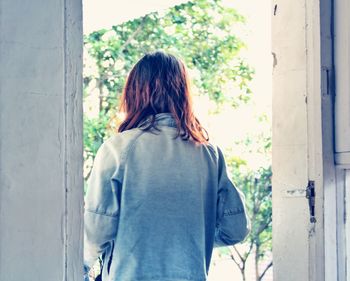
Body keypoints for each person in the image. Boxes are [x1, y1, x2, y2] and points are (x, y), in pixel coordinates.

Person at [84, 51, 249, 281]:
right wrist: (188, 238)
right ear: (183, 94)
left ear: (134, 93)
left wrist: (81, 270)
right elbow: (236, 229)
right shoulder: (210, 154)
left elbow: (96, 231)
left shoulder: (117, 149)